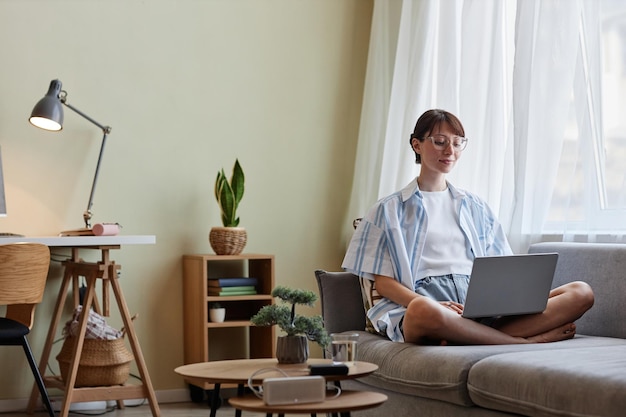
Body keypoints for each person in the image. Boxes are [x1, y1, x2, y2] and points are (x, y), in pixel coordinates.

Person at [342, 109, 594, 345]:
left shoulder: (476, 207)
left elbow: (501, 267)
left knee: (581, 292)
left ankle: (464, 338)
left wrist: (505, 300)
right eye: (440, 141)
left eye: (457, 142)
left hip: (480, 302)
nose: (449, 150)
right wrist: (436, 305)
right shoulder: (387, 209)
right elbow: (384, 284)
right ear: (416, 144)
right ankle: (520, 342)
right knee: (422, 310)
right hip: (426, 304)